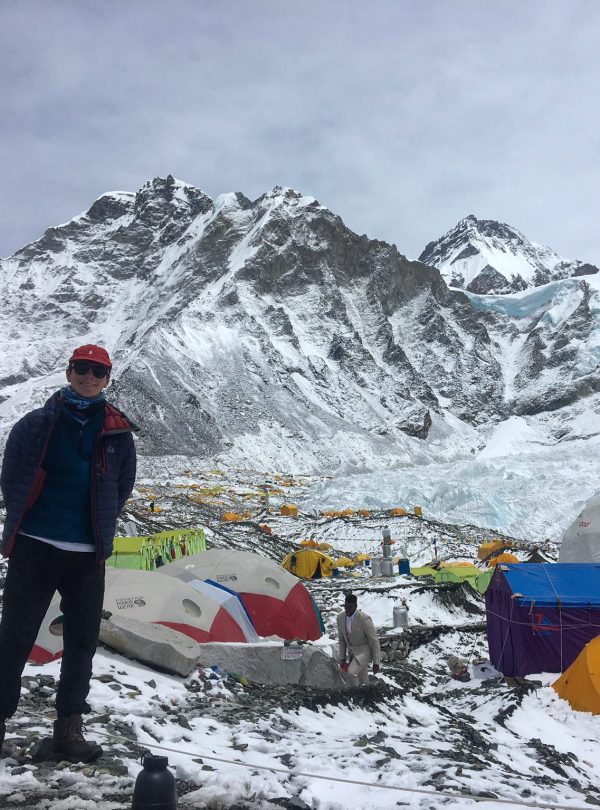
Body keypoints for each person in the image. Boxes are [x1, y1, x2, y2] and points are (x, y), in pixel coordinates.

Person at [0, 344, 137, 762]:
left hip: (87, 555)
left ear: (107, 378)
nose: (89, 376)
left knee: (81, 644)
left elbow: (122, 487)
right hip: (35, 547)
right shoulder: (37, 424)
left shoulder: (116, 433)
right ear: (69, 370)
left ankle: (68, 731)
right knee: (13, 639)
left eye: (98, 371)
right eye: (82, 368)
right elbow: (11, 477)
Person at [336, 592, 381, 687]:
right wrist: (343, 658)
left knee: (351, 673)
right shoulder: (340, 618)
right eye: (346, 607)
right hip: (352, 652)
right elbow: (342, 640)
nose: (347, 610)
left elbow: (374, 640)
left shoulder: (364, 619)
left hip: (363, 651)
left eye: (350, 607)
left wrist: (376, 662)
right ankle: (368, 696)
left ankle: (355, 696)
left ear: (355, 606)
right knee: (363, 680)